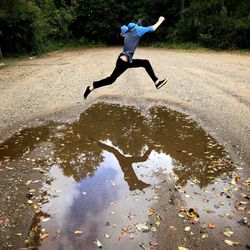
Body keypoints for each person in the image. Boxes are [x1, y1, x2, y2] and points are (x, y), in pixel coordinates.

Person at [83, 16, 168, 99]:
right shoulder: (139, 29)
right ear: (141, 26)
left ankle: (91, 88)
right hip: (123, 61)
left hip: (126, 61)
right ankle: (91, 87)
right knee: (111, 79)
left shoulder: (129, 29)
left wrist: (123, 34)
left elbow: (122, 33)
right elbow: (152, 28)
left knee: (145, 63)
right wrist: (160, 20)